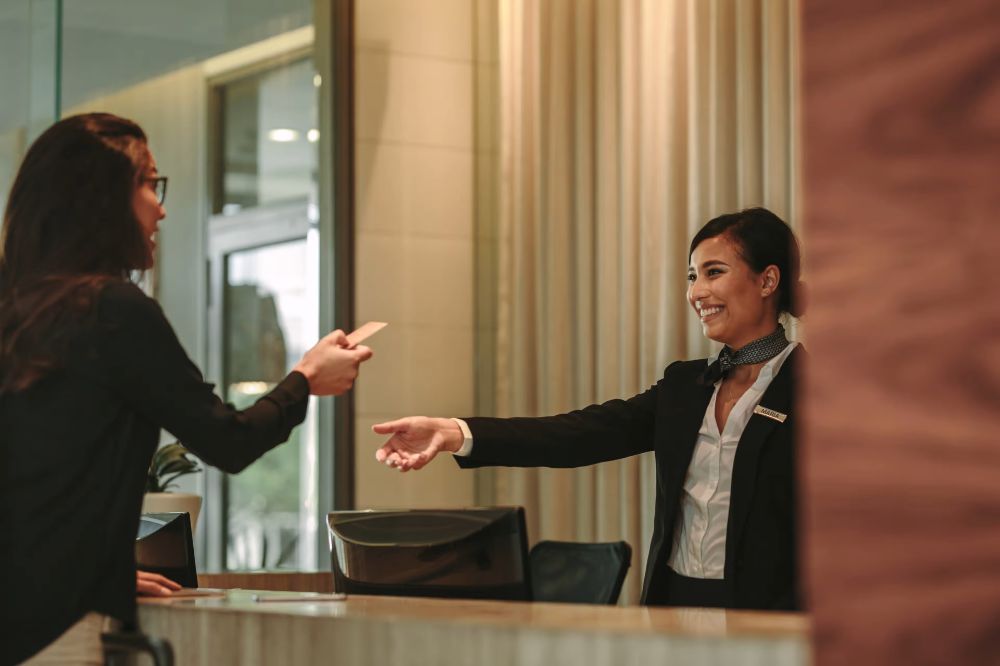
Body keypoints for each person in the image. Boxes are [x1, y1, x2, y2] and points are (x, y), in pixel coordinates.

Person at [0, 113, 372, 665]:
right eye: (149, 182)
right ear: (100, 196)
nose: (161, 206)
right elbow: (228, 440)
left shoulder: (17, 314)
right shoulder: (112, 310)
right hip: (54, 626)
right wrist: (306, 381)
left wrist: (106, 573)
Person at [374, 207, 805, 611]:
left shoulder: (816, 389)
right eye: (692, 276)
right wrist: (454, 432)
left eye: (714, 272)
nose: (696, 292)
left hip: (773, 615)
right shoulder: (685, 387)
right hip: (675, 605)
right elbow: (578, 435)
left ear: (767, 281)